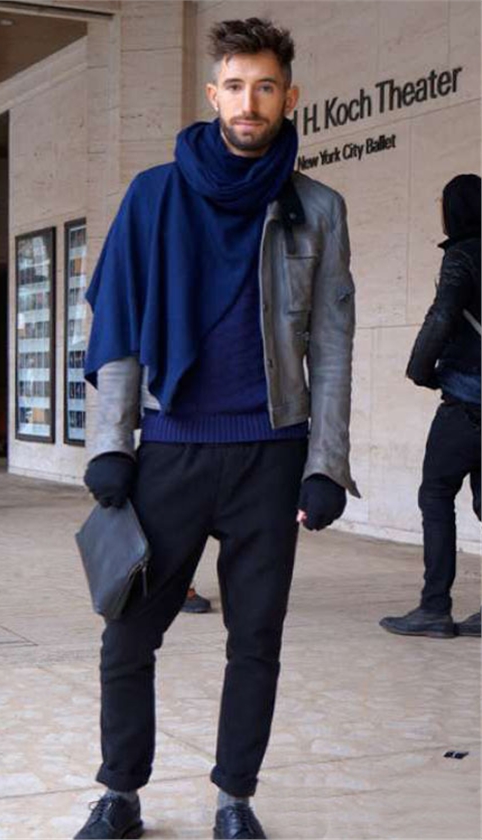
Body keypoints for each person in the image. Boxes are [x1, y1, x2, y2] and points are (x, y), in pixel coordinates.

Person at [76, 18, 358, 840]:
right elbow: (119, 325)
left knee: (256, 639)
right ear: (212, 94)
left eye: (265, 87)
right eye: (235, 86)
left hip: (271, 453)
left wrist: (327, 464)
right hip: (170, 450)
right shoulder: (154, 195)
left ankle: (235, 799)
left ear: (289, 97)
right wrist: (110, 446)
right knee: (128, 636)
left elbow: (332, 345)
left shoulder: (317, 209)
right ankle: (120, 793)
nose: (249, 103)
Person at [380, 174, 481, 640]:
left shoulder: (463, 255)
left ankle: (434, 608)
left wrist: (420, 370)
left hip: (467, 401)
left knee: (436, 495)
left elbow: (442, 315)